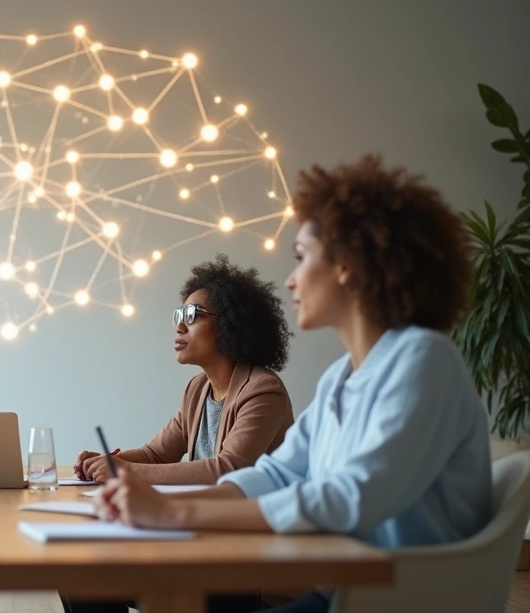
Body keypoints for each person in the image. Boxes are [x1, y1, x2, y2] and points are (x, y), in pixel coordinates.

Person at [94, 155, 493, 613]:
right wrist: (151, 507)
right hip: (341, 592)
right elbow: (276, 474)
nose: (290, 278)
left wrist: (174, 512)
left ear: (346, 265)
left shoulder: (425, 361)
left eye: (302, 257)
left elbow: (351, 499)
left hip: (393, 601)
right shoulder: (342, 378)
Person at [74, 254, 295, 485]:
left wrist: (125, 471)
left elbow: (228, 469)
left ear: (231, 324)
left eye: (192, 316)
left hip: (251, 518)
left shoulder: (263, 390)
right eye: (180, 316)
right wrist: (105, 463)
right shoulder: (197, 388)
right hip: (204, 514)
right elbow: (156, 454)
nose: (179, 327)